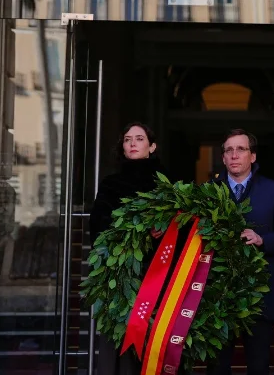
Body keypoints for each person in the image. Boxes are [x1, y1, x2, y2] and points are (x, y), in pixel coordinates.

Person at [205, 129, 274, 375]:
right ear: (223, 158)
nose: (234, 155)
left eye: (241, 149)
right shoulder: (207, 193)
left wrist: (262, 240)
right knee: (217, 370)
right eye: (229, 150)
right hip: (217, 299)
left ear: (253, 156)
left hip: (258, 299)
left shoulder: (273, 190)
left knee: (258, 368)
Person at [91, 122, 165, 375]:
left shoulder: (167, 184)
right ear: (122, 148)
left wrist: (165, 229)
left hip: (157, 274)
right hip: (120, 274)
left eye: (139, 138)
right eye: (127, 139)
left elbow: (184, 226)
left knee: (153, 340)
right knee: (118, 343)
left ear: (152, 146)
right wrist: (133, 231)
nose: (132, 143)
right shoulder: (110, 183)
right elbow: (98, 228)